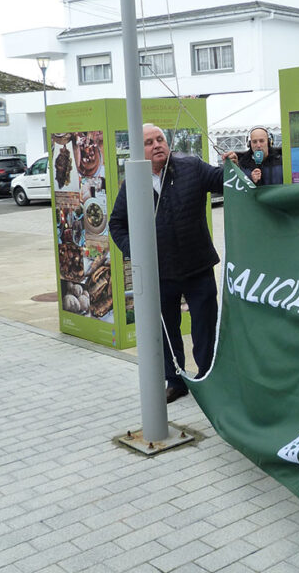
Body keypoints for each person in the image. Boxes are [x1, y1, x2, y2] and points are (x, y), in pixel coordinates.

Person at [109, 124, 225, 404]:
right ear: (140, 150)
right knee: (166, 330)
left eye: (160, 139)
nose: (157, 144)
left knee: (205, 327)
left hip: (198, 266)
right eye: (149, 142)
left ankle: (207, 378)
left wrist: (236, 161)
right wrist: (136, 252)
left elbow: (222, 179)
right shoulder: (132, 184)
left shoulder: (191, 167)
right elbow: (116, 224)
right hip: (160, 273)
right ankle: (175, 381)